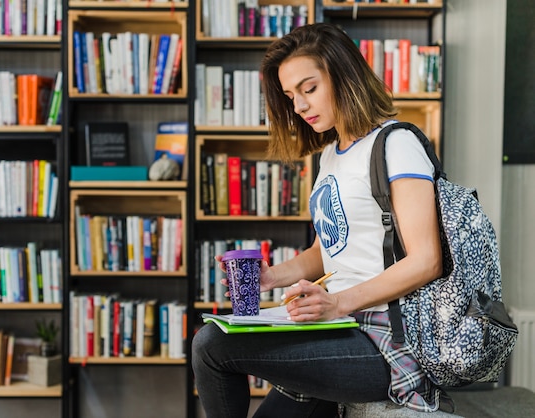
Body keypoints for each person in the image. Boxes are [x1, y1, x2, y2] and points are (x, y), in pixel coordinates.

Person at [192, 23, 452, 418]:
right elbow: (325, 251)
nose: (298, 106)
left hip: (385, 339)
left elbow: (426, 259)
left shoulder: (397, 145)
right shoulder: (331, 154)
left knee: (211, 344)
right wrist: (271, 277)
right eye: (290, 95)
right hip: (340, 328)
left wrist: (336, 303)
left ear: (343, 75)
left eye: (308, 89)